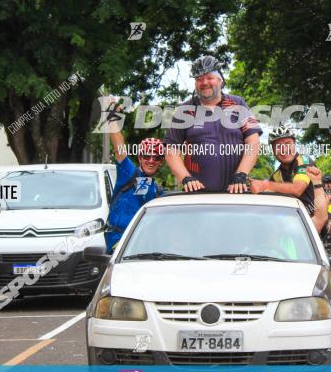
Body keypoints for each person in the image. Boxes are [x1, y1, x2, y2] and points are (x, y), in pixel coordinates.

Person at [163, 55, 261, 193]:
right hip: (197, 195)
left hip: (236, 192)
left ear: (220, 80)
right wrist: (185, 178)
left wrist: (241, 174)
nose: (204, 82)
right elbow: (171, 149)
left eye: (209, 77)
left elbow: (253, 140)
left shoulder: (238, 103)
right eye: (199, 79)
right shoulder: (184, 110)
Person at [103, 112, 164, 254]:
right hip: (118, 242)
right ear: (140, 157)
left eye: (156, 158)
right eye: (147, 156)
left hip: (141, 245)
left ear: (161, 162)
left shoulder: (156, 190)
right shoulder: (129, 173)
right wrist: (111, 116)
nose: (151, 160)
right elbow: (120, 149)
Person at [249, 126, 316, 215]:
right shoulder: (276, 175)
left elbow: (297, 189)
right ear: (273, 150)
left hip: (313, 222)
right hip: (292, 220)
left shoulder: (304, 161)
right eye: (278, 146)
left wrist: (265, 185)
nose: (284, 150)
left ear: (295, 144)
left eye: (288, 144)